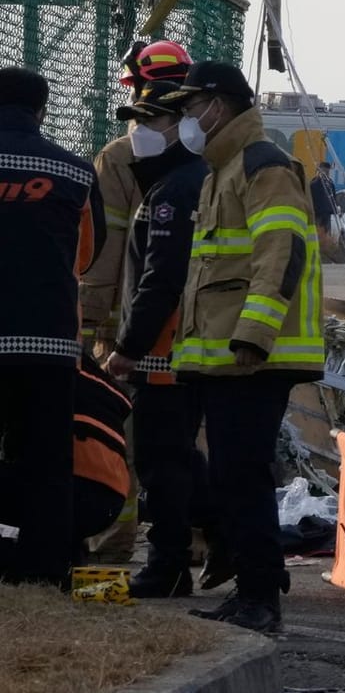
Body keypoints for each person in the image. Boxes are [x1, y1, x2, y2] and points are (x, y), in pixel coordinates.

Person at [160, 61, 325, 633]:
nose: (185, 120)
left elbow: (280, 255)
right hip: (226, 359)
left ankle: (260, 596)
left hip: (254, 358)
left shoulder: (263, 165)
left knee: (242, 474)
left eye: (190, 108)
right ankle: (255, 586)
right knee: (233, 475)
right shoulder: (222, 169)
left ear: (220, 105)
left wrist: (253, 336)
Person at [104, 78, 214, 598]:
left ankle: (168, 564)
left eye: (152, 122)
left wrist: (127, 348)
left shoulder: (173, 191)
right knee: (183, 458)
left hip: (163, 354)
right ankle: (227, 535)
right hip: (178, 350)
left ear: (182, 128)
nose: (141, 133)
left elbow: (161, 281)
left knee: (160, 461)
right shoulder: (183, 181)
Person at [0, 67, 104, 588]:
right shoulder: (76, 171)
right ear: (41, 111)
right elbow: (86, 257)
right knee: (45, 458)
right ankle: (42, 570)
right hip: (48, 341)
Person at [81, 41, 193, 356]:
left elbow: (104, 242)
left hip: (127, 326)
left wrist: (90, 319)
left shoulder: (119, 155)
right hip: (196, 324)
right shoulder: (211, 153)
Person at [0, 354, 130, 568]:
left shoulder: (21, 360)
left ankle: (29, 560)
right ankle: (65, 554)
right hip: (109, 501)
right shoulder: (78, 366)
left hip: (62, 492)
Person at [309, 162, 336, 242]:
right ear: (319, 171)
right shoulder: (313, 184)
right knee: (317, 234)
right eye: (324, 172)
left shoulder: (330, 184)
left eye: (328, 172)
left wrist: (333, 209)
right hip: (317, 214)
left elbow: (333, 197)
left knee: (327, 235)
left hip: (327, 213)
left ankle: (326, 250)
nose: (326, 174)